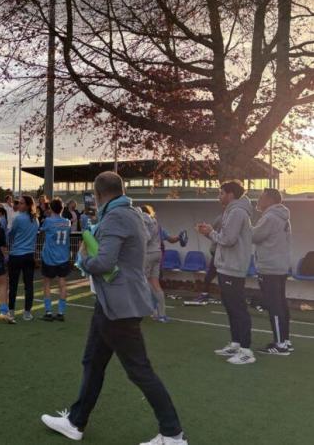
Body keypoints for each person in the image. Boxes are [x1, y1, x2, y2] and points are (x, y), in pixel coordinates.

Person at [41, 171, 186, 445]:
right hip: (113, 303)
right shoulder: (131, 213)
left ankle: (173, 433)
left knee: (139, 370)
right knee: (93, 362)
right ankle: (75, 421)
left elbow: (104, 262)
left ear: (97, 194)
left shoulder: (116, 216)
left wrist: (83, 260)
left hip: (119, 305)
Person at [197, 180, 255, 365]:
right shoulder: (232, 211)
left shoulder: (237, 212)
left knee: (238, 308)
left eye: (221, 193)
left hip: (233, 267)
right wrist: (211, 233)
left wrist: (211, 232)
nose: (219, 196)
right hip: (227, 266)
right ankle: (236, 344)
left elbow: (228, 239)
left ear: (230, 194)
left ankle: (246, 351)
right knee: (231, 307)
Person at [252, 188, 293, 355]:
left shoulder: (269, 217)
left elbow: (254, 236)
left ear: (269, 199)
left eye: (261, 197)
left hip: (269, 267)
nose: (258, 200)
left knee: (274, 305)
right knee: (281, 304)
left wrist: (246, 227)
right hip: (280, 266)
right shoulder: (283, 216)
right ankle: (285, 340)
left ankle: (279, 344)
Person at [8, 195, 40, 321]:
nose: (19, 205)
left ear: (27, 206)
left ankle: (11, 311)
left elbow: (11, 234)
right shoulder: (35, 220)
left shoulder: (18, 218)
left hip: (16, 255)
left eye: (21, 203)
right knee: (29, 285)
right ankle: (27, 312)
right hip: (29, 255)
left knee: (13, 284)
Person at [40, 198, 72, 321]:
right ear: (62, 208)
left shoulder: (48, 221)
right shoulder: (67, 222)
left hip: (49, 257)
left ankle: (48, 312)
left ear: (51, 208)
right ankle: (60, 312)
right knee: (62, 284)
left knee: (47, 283)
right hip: (63, 256)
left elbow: (42, 232)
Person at [141, 205, 169, 323]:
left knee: (143, 282)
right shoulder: (155, 222)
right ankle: (161, 314)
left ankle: (154, 310)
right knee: (155, 284)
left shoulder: (143, 219)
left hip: (148, 254)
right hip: (157, 253)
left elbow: (145, 238)